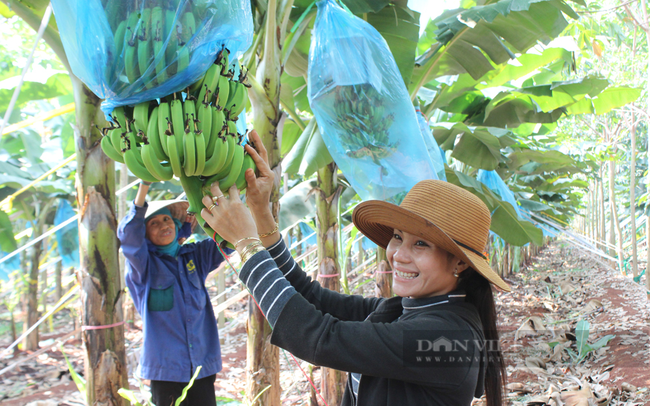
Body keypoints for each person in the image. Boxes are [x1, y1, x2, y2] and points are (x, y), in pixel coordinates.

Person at [199, 130, 508, 406]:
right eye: (398, 237)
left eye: (421, 244)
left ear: (460, 262)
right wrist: (261, 212)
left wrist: (247, 245)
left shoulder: (446, 338)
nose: (398, 255)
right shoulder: (409, 310)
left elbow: (321, 337)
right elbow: (313, 298)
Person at [117, 180, 231, 406]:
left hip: (202, 365)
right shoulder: (143, 267)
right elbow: (129, 236)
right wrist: (144, 187)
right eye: (154, 223)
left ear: (177, 225)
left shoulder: (195, 256)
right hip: (165, 370)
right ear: (146, 234)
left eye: (167, 219)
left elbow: (228, 238)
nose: (163, 225)